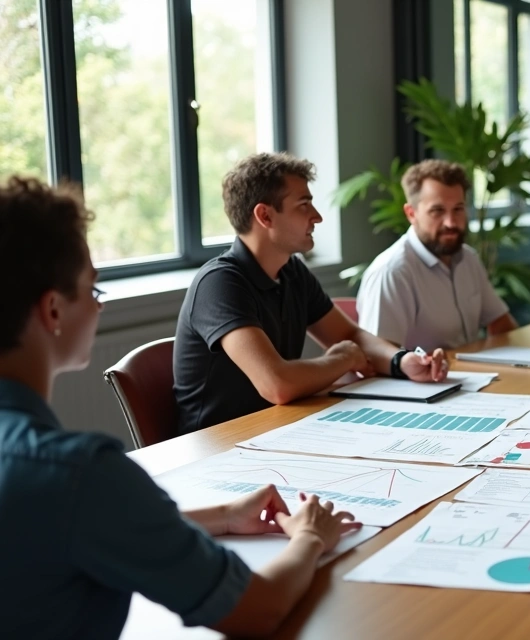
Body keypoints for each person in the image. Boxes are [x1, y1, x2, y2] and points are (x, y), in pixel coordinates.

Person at [0, 176, 363, 638]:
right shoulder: (79, 473)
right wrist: (312, 536)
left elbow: (70, 530)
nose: (98, 308)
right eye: (93, 290)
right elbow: (258, 609)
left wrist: (224, 516)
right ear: (53, 311)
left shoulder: (67, 485)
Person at [174, 153, 447, 435]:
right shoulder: (219, 283)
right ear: (265, 215)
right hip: (218, 453)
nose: (317, 216)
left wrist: (402, 362)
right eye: (304, 205)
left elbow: (350, 336)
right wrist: (342, 360)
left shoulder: (291, 271)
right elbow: (277, 385)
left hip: (279, 432)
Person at [356, 160, 517, 350]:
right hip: (420, 380)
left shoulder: (468, 259)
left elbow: (501, 325)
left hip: (474, 375)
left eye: (458, 209)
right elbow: (377, 358)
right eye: (437, 211)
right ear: (411, 214)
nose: (450, 222)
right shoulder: (392, 272)